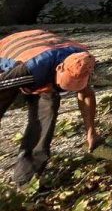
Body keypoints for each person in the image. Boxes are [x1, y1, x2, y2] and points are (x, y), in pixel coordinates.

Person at [0, 29, 99, 185]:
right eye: (66, 83)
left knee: (48, 110)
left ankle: (26, 180)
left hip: (45, 53)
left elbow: (86, 93)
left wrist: (91, 131)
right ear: (59, 69)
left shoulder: (84, 61)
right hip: (10, 55)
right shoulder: (29, 69)